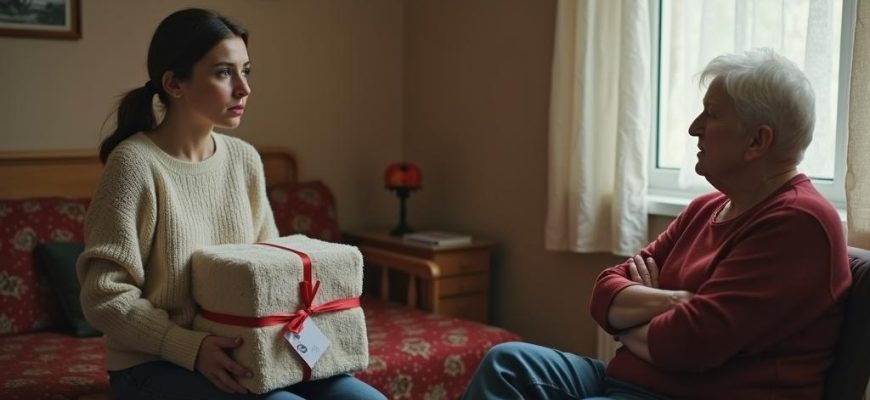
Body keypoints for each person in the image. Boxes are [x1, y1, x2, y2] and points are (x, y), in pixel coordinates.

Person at [463, 48, 850, 399]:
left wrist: (632, 322)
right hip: (628, 380)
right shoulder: (706, 208)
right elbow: (604, 293)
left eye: (712, 114)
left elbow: (690, 343)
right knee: (506, 363)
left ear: (757, 141)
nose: (694, 127)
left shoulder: (798, 223)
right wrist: (677, 301)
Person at [76, 8, 385, 400]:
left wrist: (310, 347)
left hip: (245, 351)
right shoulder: (134, 165)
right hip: (152, 364)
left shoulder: (244, 159)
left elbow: (272, 274)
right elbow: (104, 296)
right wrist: (191, 347)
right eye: (224, 73)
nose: (244, 88)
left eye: (246, 71)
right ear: (174, 83)